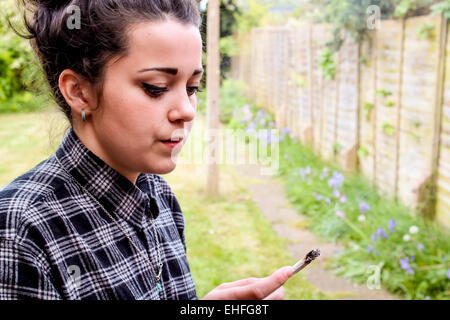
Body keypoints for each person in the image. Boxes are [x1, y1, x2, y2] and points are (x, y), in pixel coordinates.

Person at [0, 0, 293, 300]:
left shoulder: (161, 199)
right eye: (156, 86)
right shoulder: (19, 230)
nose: (186, 110)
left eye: (192, 88)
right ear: (79, 91)